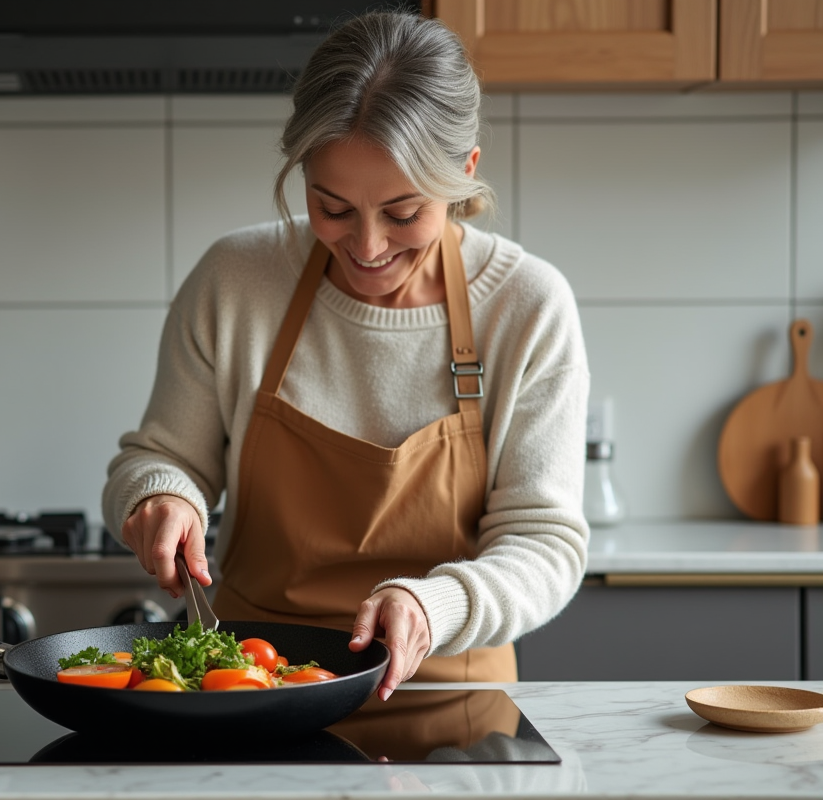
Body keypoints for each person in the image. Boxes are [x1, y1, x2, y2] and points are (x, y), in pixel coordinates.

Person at [102, 10, 589, 700]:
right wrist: (162, 495)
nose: (366, 247)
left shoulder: (527, 305)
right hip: (245, 685)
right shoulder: (236, 279)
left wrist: (435, 607)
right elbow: (158, 457)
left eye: (402, 213)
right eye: (332, 208)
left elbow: (546, 542)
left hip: (446, 694)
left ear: (465, 173)